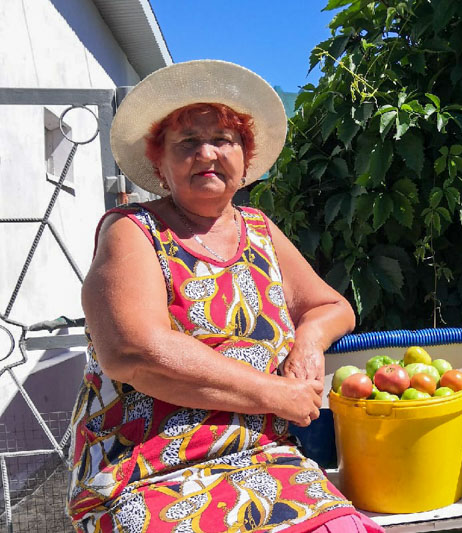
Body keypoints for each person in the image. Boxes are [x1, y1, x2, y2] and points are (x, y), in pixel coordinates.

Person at [66, 60, 382, 533]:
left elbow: (332, 307)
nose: (207, 153)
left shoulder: (258, 228)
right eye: (188, 143)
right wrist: (277, 393)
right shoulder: (133, 231)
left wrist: (308, 344)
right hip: (148, 470)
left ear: (245, 157)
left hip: (263, 457)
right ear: (160, 164)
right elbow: (135, 352)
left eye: (223, 140)